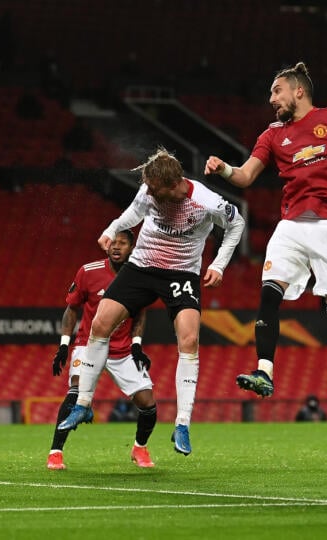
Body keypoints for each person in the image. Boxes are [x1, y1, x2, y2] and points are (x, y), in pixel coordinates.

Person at [203, 62, 327, 430]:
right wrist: (223, 169)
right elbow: (246, 176)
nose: (272, 100)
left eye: (276, 91)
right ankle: (265, 371)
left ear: (298, 90)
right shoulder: (271, 134)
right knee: (269, 293)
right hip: (292, 226)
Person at [58, 147, 245, 455]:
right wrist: (111, 228)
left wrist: (218, 264)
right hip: (143, 265)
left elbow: (236, 223)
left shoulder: (206, 201)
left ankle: (182, 425)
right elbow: (134, 211)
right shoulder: (151, 188)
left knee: (189, 339)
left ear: (174, 186)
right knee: (100, 323)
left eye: (157, 193)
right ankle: (83, 405)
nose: (151, 196)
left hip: (182, 272)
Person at [48, 229, 157, 470]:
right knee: (76, 390)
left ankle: (140, 448)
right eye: (113, 243)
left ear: (132, 248)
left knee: (148, 404)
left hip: (122, 350)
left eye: (123, 243)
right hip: (88, 344)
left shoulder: (139, 276)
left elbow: (140, 314)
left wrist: (137, 345)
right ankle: (55, 452)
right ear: (106, 246)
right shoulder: (89, 271)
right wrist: (65, 345)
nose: (116, 247)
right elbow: (71, 309)